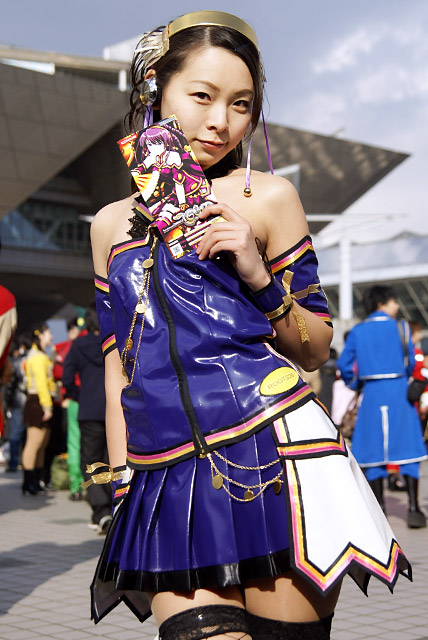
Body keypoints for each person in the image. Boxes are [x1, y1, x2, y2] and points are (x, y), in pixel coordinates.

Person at [89, 12, 411, 640]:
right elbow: (117, 366)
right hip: (165, 475)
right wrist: (123, 479)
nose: (221, 121)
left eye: (241, 104)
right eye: (202, 96)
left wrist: (260, 275)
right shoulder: (108, 225)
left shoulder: (267, 197)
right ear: (156, 87)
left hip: (275, 457)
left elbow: (316, 348)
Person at [337, 285, 427, 527]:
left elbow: (344, 365)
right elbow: (411, 361)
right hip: (399, 391)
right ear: (382, 303)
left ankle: (380, 510)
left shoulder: (358, 331)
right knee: (407, 446)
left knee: (373, 450)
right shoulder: (401, 328)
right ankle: (414, 508)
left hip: (372, 393)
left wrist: (356, 383)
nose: (397, 305)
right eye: (393, 301)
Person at [62, 304, 112, 533]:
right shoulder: (114, 343)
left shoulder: (78, 345)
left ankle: (101, 511)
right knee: (111, 459)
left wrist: (78, 396)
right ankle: (113, 507)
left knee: (91, 461)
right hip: (114, 409)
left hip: (89, 410)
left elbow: (67, 377)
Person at [22, 323, 56, 495]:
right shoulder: (37, 357)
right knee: (34, 443)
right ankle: (29, 481)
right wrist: (47, 407)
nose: (52, 336)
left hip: (41, 400)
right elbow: (42, 384)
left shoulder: (41, 355)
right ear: (40, 335)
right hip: (38, 401)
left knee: (41, 444)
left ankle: (36, 479)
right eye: (49, 332)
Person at [53, 317, 84, 500]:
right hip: (94, 400)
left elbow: (59, 372)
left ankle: (76, 487)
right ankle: (93, 487)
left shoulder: (67, 348)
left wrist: (71, 392)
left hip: (75, 400)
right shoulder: (98, 343)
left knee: (74, 442)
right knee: (94, 444)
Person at [4, 336, 30, 472]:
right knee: (26, 434)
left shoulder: (16, 361)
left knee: (15, 433)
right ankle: (24, 462)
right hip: (29, 400)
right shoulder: (31, 359)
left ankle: (14, 463)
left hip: (17, 401)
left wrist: (8, 402)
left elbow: (10, 385)